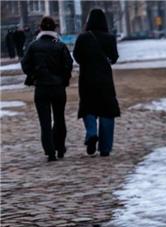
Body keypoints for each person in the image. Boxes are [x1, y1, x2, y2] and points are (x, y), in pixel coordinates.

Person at [20, 17, 72, 162]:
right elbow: (68, 64)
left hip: (41, 87)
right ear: (55, 29)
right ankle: (60, 147)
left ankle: (50, 151)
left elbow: (25, 64)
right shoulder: (60, 45)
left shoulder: (33, 45)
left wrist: (34, 75)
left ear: (41, 28)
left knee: (45, 121)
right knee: (59, 118)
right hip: (58, 87)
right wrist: (63, 79)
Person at [72, 8, 120, 157]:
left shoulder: (83, 37)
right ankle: (105, 148)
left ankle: (91, 132)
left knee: (88, 107)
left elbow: (76, 56)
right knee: (107, 110)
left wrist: (87, 62)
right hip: (104, 78)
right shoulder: (109, 38)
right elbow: (114, 57)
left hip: (87, 77)